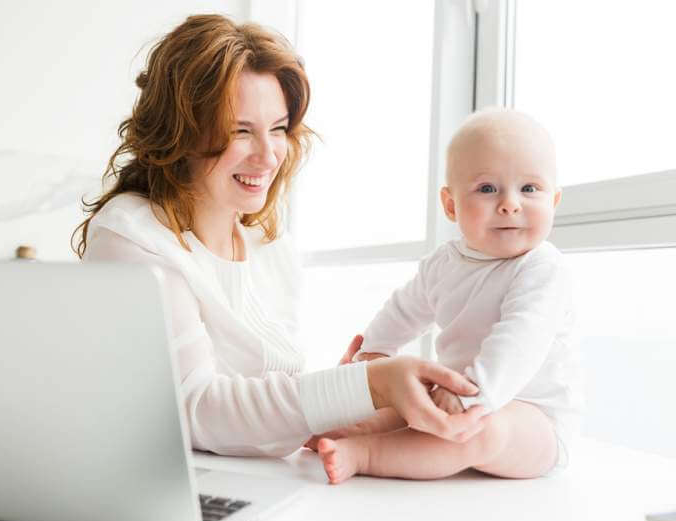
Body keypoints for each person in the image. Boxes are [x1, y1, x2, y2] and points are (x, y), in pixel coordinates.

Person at [71, 14, 486, 457]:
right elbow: (191, 410)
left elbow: (265, 413)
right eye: (240, 131)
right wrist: (365, 386)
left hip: (258, 484)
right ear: (182, 132)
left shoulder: (268, 247)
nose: (268, 155)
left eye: (278, 129)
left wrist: (347, 405)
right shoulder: (134, 235)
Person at [316, 109, 584, 483]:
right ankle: (353, 430)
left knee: (482, 429)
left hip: (533, 421)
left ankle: (365, 454)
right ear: (451, 204)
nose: (510, 203)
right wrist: (374, 353)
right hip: (460, 394)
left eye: (529, 189)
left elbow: (519, 343)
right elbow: (403, 310)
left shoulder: (542, 268)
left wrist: (472, 395)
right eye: (488, 188)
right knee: (405, 400)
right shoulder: (445, 263)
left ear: (553, 201)